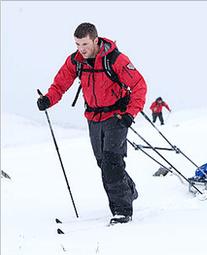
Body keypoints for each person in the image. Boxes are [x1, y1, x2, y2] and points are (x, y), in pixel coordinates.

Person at [36, 23, 147, 224]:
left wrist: (131, 113)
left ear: (95, 40)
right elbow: (61, 84)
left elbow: (139, 85)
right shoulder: (76, 61)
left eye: (85, 44)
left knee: (111, 163)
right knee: (102, 162)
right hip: (93, 118)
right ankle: (128, 190)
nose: (81, 49)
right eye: (77, 44)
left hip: (117, 116)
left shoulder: (115, 59)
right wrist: (48, 99)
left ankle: (122, 211)